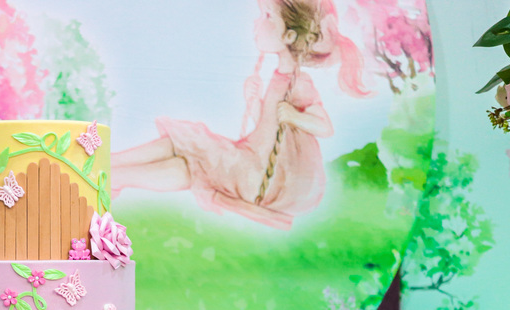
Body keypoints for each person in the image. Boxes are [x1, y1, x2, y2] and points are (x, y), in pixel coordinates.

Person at [112, 0, 367, 229]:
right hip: (254, 166)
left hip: (270, 182)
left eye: (267, 16)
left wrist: (294, 116)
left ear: (289, 35)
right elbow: (268, 129)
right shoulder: (279, 78)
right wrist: (255, 103)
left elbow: (325, 127)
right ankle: (113, 171)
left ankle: (111, 166)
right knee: (190, 162)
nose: (257, 22)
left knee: (192, 143)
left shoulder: (299, 83)